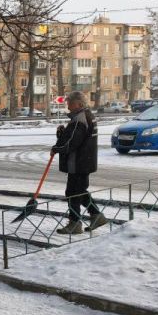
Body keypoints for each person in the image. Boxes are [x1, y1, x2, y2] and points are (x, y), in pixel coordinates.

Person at [51, 91, 107, 234]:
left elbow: (72, 143)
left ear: (78, 103)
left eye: (70, 103)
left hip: (78, 162)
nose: (68, 106)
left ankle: (75, 223)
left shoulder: (80, 119)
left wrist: (57, 148)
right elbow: (74, 137)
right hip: (84, 161)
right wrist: (62, 134)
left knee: (73, 192)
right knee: (79, 191)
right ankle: (96, 216)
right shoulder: (85, 115)